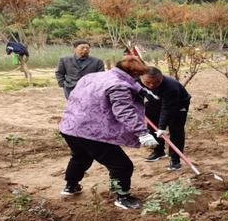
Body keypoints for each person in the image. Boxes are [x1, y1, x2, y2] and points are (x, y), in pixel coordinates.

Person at [58, 56, 158, 210]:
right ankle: (122, 197)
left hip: (70, 126)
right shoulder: (119, 85)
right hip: (92, 132)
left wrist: (139, 91)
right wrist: (142, 133)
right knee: (121, 165)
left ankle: (70, 186)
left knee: (80, 157)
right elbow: (124, 111)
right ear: (133, 73)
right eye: (138, 75)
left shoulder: (92, 76)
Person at [140, 67, 192, 170]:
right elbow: (136, 94)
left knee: (176, 131)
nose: (151, 85)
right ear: (141, 78)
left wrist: (162, 128)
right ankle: (159, 151)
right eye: (148, 82)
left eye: (156, 82)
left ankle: (175, 159)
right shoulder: (136, 80)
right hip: (155, 102)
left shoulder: (170, 87)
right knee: (152, 128)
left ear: (161, 78)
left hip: (178, 105)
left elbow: (167, 109)